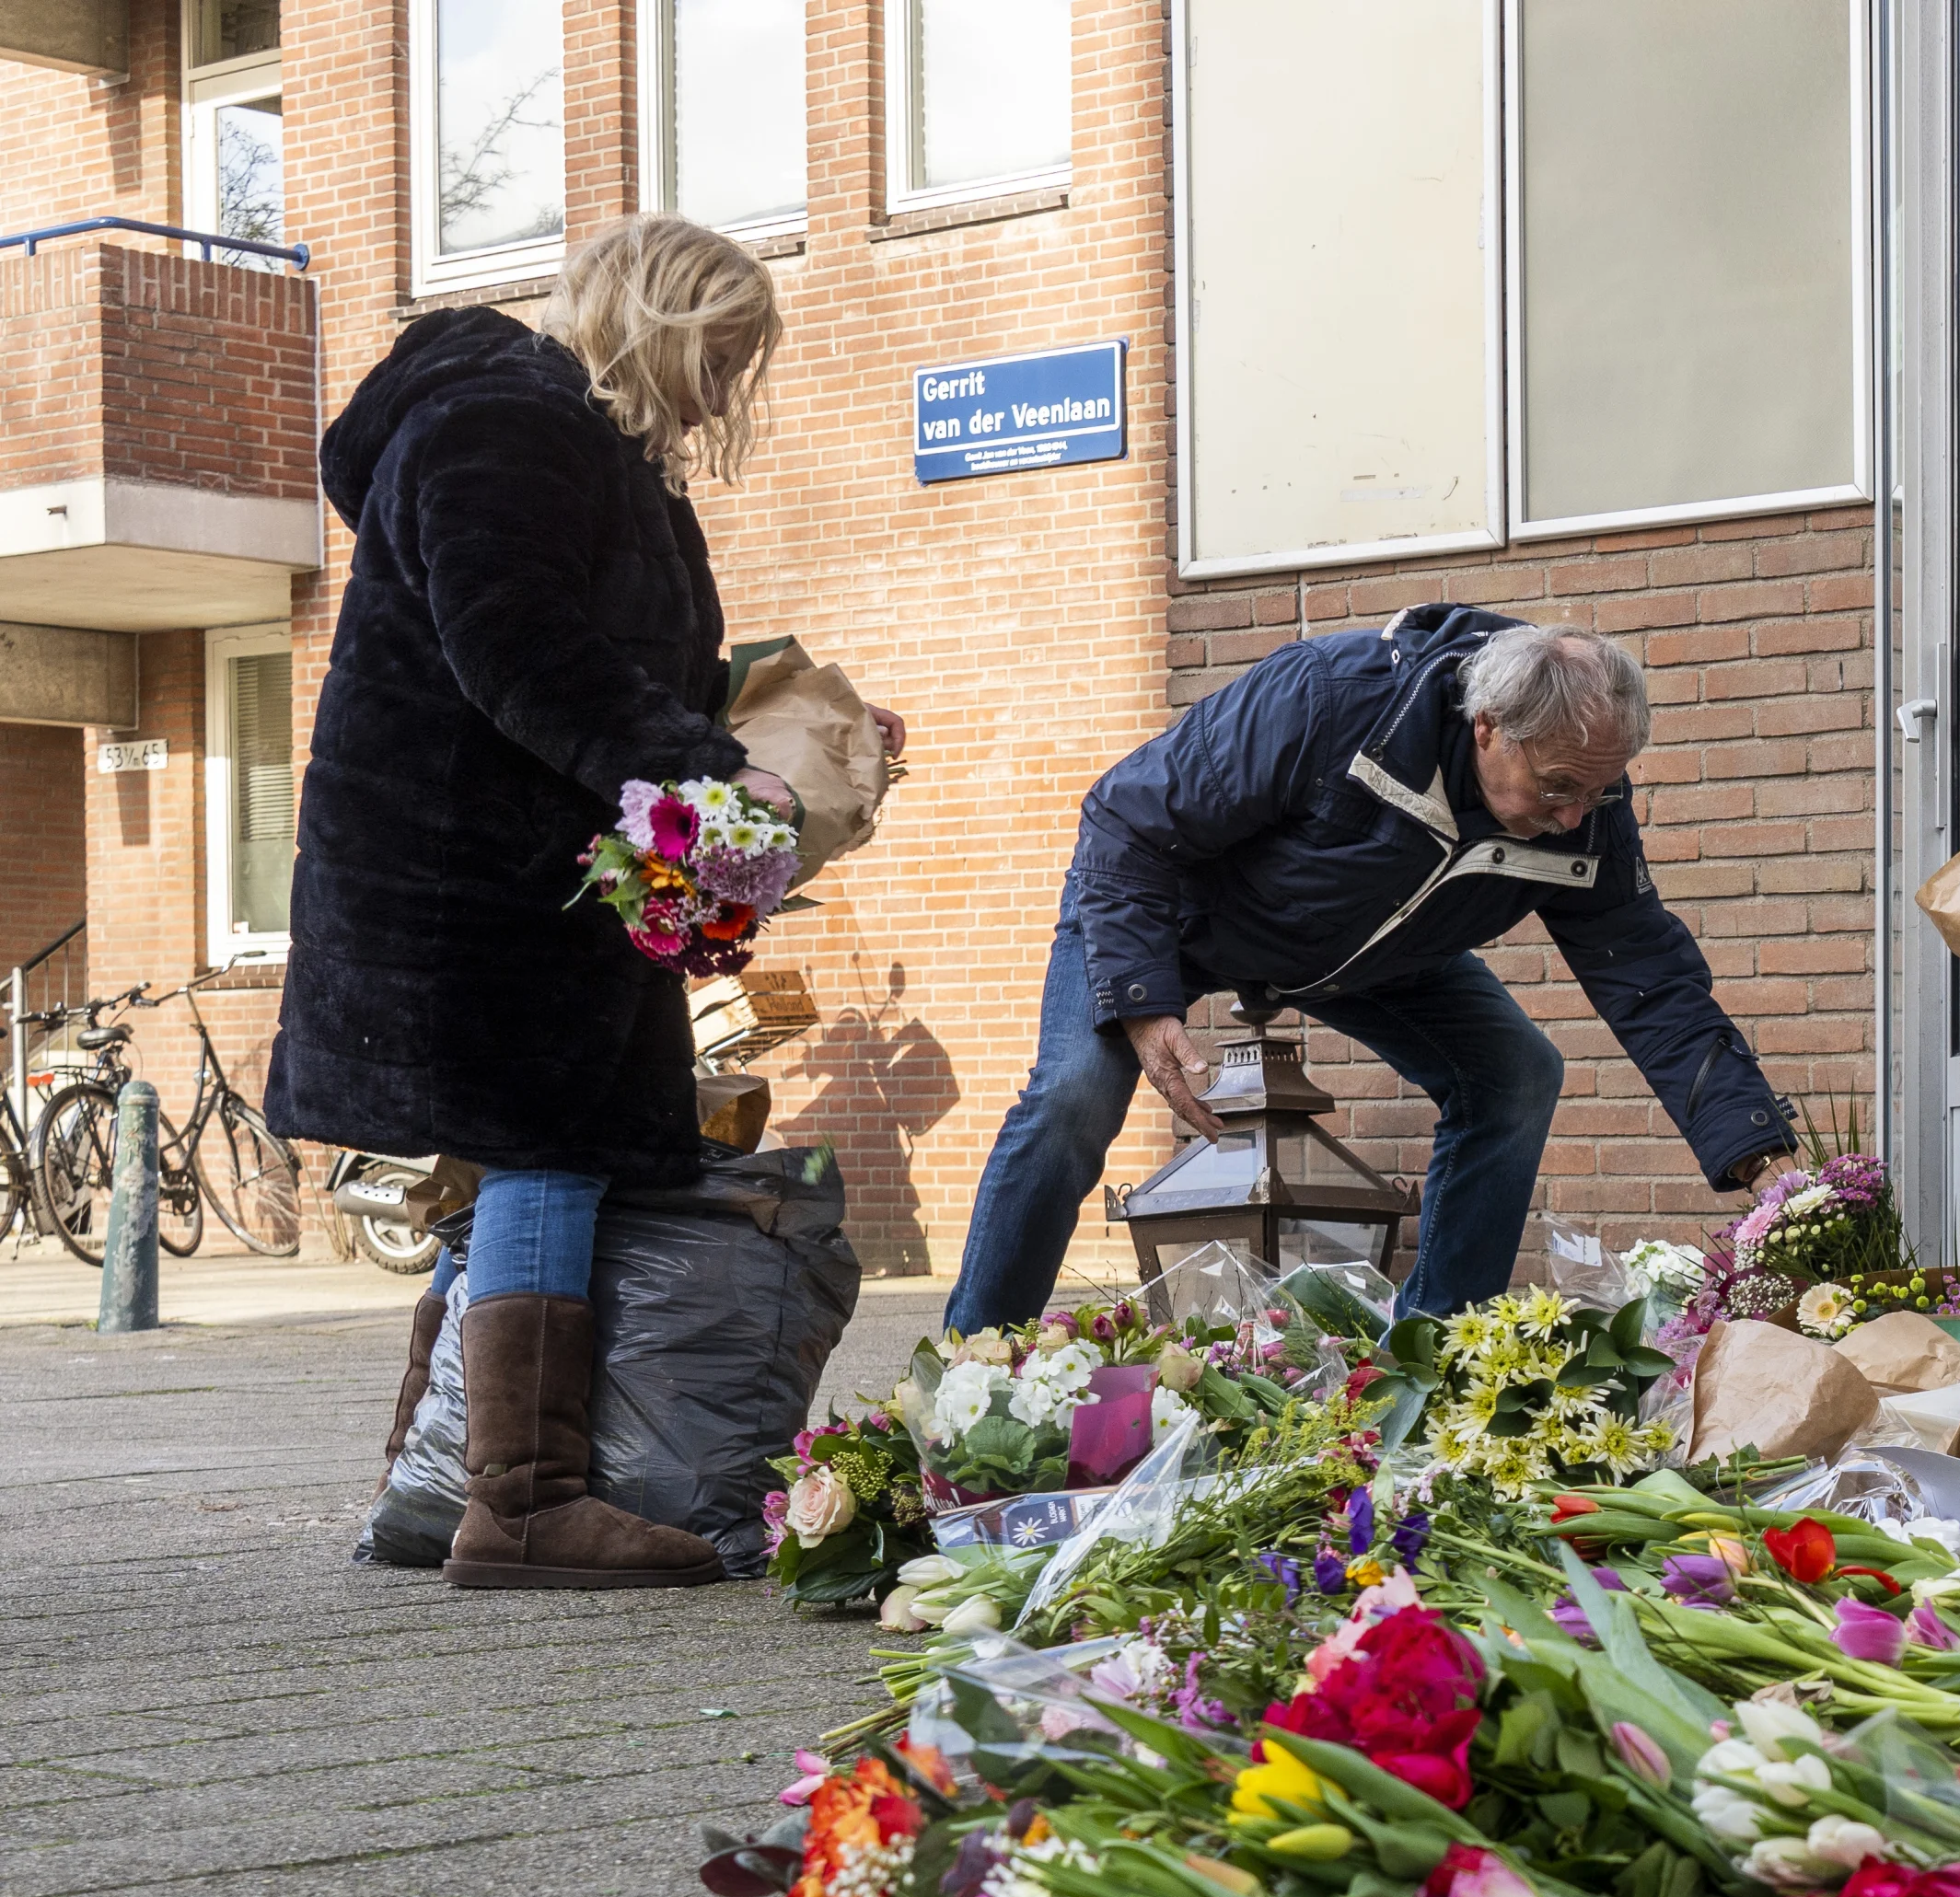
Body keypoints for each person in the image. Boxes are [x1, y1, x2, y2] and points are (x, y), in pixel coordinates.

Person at [270, 214, 901, 1592]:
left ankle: (432, 1484)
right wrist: (709, 769)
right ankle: (525, 1502)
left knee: (537, 1151)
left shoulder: (583, 442)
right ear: (656, 323)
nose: (724, 396)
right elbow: (520, 647)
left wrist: (792, 738)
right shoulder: (505, 421)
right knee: (545, 1145)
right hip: (470, 873)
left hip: (527, 868)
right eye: (717, 357)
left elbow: (615, 660)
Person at [947, 610, 1794, 1328]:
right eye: (1557, 786)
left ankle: (1433, 1364)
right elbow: (1126, 819)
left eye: (1597, 792)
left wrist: (1760, 1155)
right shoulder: (1330, 697)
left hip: (1368, 946)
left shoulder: (1586, 809)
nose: (1574, 816)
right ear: (1488, 726)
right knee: (1072, 1098)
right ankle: (971, 1367)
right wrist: (1141, 1000)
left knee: (1516, 1075)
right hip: (1164, 907)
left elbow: (1651, 978)